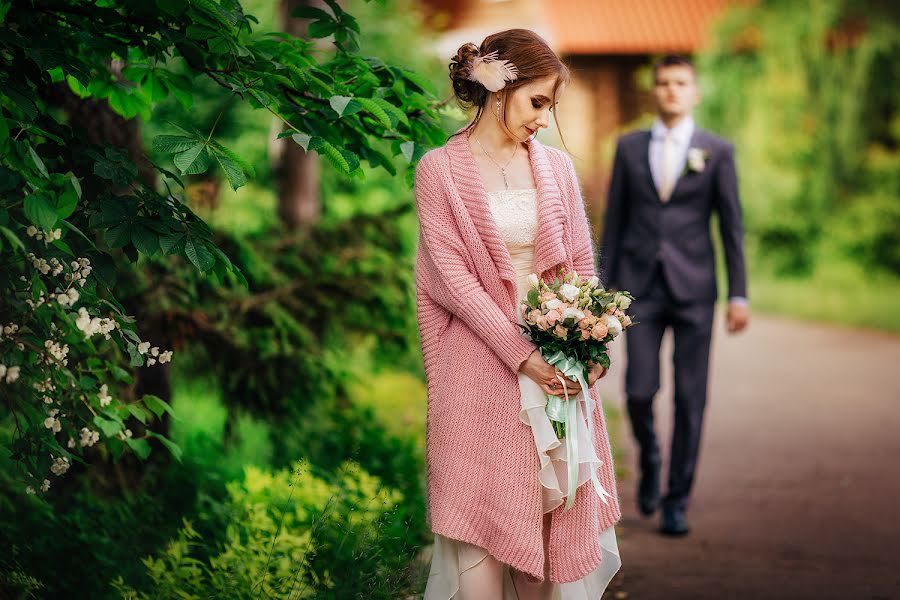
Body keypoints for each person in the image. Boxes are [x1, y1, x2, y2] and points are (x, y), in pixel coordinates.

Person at [415, 29, 622, 599]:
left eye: (551, 106)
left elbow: (580, 262)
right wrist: (521, 356)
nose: (544, 119)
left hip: (556, 371)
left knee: (544, 549)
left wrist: (591, 345)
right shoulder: (437, 170)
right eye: (538, 102)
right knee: (482, 532)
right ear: (499, 89)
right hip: (476, 372)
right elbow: (454, 281)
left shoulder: (555, 168)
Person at [599, 55, 749, 537]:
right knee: (638, 392)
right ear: (654, 91)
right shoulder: (627, 147)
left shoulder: (716, 151)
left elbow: (731, 227)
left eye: (680, 83)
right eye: (663, 83)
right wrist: (601, 290)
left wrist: (738, 294)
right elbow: (615, 222)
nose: (671, 90)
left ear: (694, 92)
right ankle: (650, 457)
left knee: (691, 398)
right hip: (638, 292)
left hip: (694, 293)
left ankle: (677, 499)